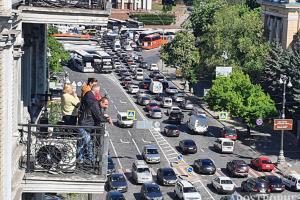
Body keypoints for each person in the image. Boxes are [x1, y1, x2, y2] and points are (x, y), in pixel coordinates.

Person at [77, 85, 109, 163]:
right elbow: (99, 117)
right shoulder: (95, 105)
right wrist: (107, 120)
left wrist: (104, 117)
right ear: (101, 102)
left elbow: (98, 115)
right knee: (88, 143)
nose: (106, 106)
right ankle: (91, 159)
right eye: (105, 104)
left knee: (83, 143)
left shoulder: (96, 104)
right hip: (84, 125)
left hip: (85, 125)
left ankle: (80, 158)